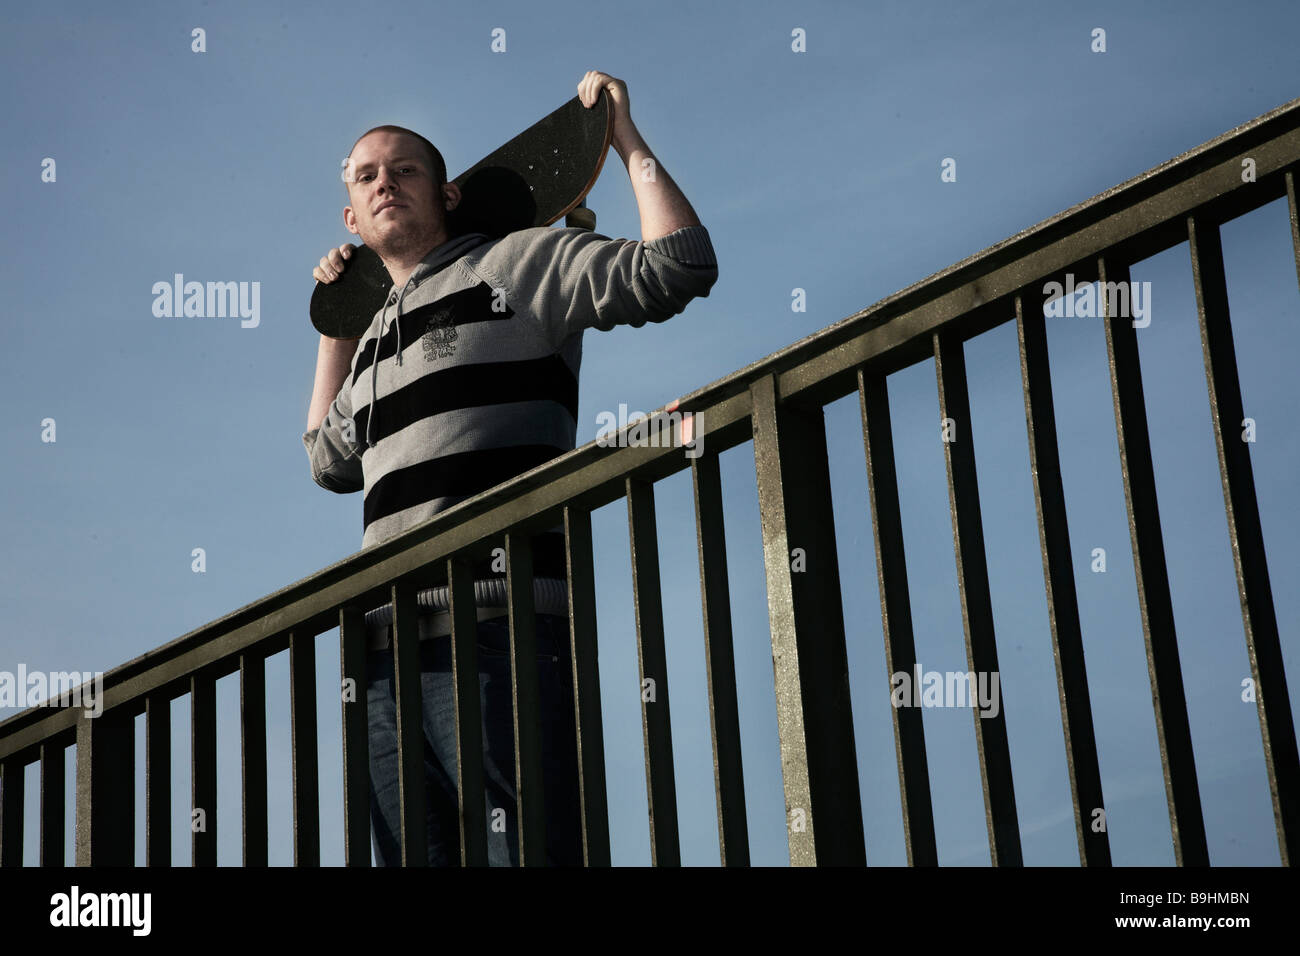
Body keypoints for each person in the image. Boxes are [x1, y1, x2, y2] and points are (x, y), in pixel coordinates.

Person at [302, 70, 718, 866]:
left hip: (499, 626)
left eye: (406, 168)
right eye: (367, 176)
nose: (386, 180)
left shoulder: (518, 266)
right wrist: (338, 325)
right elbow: (327, 460)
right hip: (386, 656)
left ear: (448, 194)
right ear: (352, 217)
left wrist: (621, 137)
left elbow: (679, 265)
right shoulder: (376, 340)